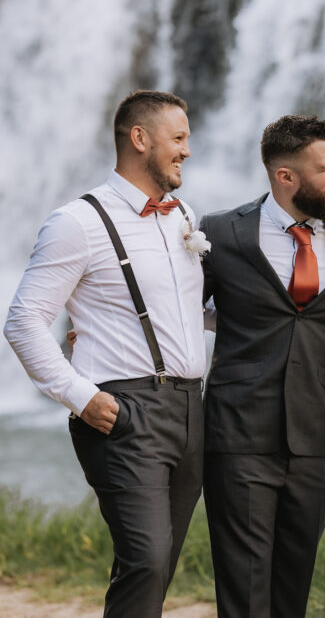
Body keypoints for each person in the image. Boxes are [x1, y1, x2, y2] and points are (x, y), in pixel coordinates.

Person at [4, 90, 205, 617]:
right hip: (123, 410)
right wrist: (80, 396)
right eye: (179, 138)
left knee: (158, 564)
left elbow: (182, 311)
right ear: (140, 139)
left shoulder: (182, 213)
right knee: (146, 559)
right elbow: (23, 320)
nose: (188, 150)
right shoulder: (76, 222)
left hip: (190, 408)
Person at [198, 114, 325, 618]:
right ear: (285, 177)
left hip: (313, 437)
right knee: (244, 591)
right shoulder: (220, 232)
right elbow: (177, 309)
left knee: (294, 586)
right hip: (237, 433)